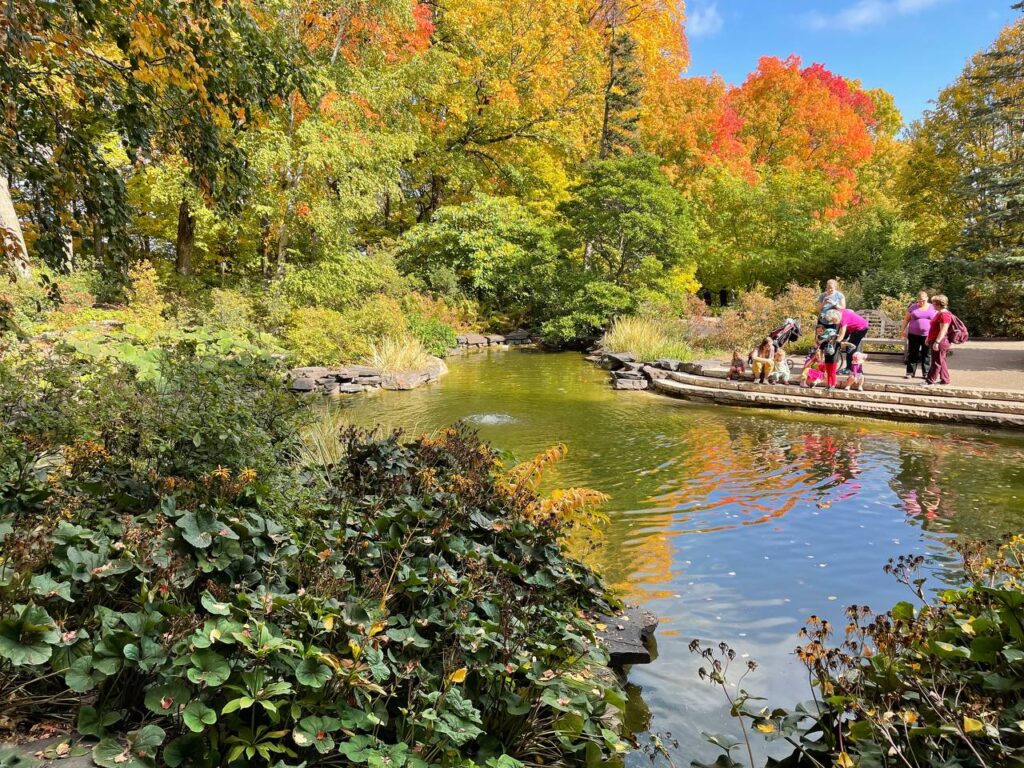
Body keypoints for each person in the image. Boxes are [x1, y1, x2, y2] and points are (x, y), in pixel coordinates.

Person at [901, 291, 936, 379]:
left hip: (928, 335)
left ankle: (926, 373)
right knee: (913, 353)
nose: (921, 302)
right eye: (919, 300)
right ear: (917, 299)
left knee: (926, 354)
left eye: (923, 300)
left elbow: (937, 321)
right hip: (913, 334)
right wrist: (903, 331)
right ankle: (910, 372)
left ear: (927, 298)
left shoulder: (933, 307)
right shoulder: (913, 307)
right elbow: (906, 320)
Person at [829, 307, 870, 375]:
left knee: (850, 348)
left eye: (833, 320)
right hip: (852, 328)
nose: (833, 322)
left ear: (836, 317)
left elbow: (841, 335)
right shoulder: (839, 312)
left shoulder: (843, 319)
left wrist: (835, 344)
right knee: (850, 346)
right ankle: (856, 369)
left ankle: (850, 369)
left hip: (861, 328)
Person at [925, 294, 953, 385]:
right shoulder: (939, 313)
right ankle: (945, 380)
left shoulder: (944, 314)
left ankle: (930, 381)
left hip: (940, 341)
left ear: (938, 304)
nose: (932, 305)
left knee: (936, 362)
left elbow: (943, 330)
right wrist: (928, 338)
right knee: (942, 361)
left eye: (933, 303)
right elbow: (934, 328)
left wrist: (937, 342)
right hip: (935, 340)